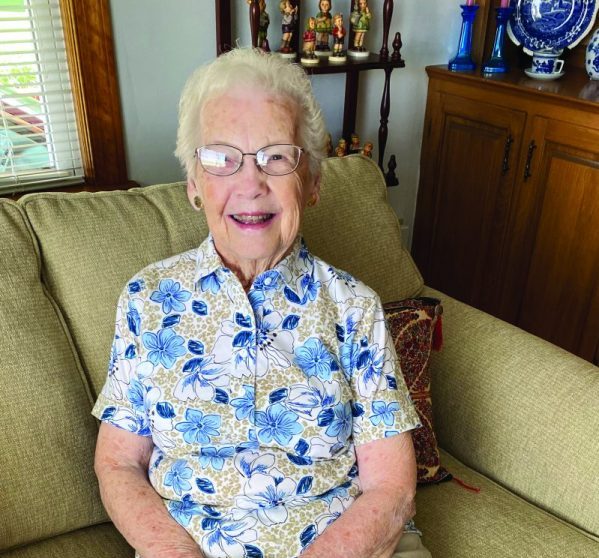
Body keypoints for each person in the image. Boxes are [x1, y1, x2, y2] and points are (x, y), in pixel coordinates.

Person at [92, 47, 430, 558]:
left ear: (312, 182)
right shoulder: (148, 300)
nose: (250, 184)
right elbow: (117, 463)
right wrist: (173, 551)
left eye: (276, 156)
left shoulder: (354, 308)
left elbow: (391, 487)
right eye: (222, 158)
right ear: (194, 185)